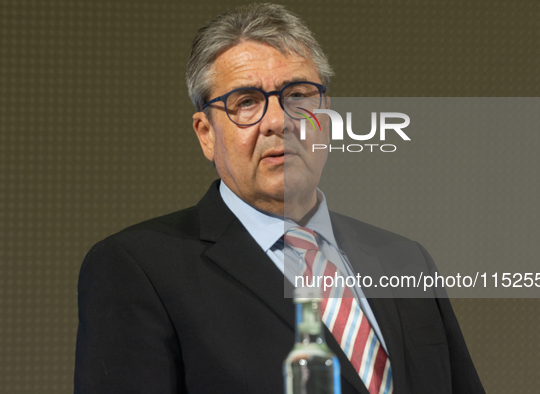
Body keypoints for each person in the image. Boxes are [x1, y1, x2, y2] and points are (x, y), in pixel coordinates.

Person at [74, 4, 485, 393]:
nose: (278, 121)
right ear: (206, 133)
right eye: (246, 102)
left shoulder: (405, 259)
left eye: (299, 96)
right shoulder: (137, 268)